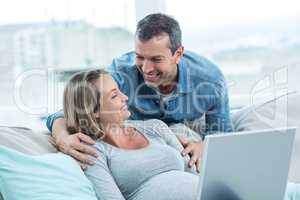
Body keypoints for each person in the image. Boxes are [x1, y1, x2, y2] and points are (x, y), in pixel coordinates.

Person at [62, 69, 299, 200]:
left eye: (121, 90)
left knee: (284, 190)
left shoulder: (154, 127)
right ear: (93, 113)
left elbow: (194, 172)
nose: (125, 98)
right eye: (114, 95)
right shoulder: (91, 152)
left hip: (215, 196)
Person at [46, 13, 232, 168]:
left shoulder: (211, 80)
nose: (146, 68)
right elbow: (75, 107)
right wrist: (62, 137)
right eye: (140, 57)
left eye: (156, 59)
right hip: (141, 141)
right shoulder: (122, 71)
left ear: (178, 54)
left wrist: (203, 146)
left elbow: (222, 134)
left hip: (183, 134)